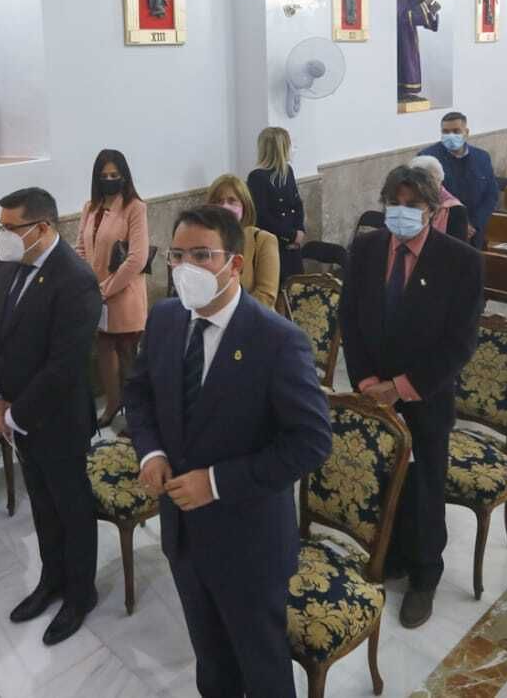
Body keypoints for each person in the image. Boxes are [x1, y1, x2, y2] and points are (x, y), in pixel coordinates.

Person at [125, 206, 332, 698]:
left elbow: (311, 441)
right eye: (177, 256)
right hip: (184, 532)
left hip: (249, 542)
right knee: (211, 659)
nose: (185, 268)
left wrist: (216, 482)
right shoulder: (165, 320)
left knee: (260, 665)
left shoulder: (277, 340)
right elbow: (140, 395)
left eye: (202, 255)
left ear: (234, 265)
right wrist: (150, 453)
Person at [339, 166, 483, 626]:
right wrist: (366, 384)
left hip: (426, 396)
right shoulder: (365, 248)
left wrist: (399, 388)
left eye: (412, 206)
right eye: (393, 204)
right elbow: (351, 319)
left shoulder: (459, 260)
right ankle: (392, 555)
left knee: (424, 486)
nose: (401, 214)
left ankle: (425, 575)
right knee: (383, 478)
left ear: (432, 210)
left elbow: (459, 343)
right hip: (372, 392)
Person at [0, 188, 103, 645]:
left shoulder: (75, 279)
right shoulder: (8, 266)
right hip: (14, 416)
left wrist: (15, 414)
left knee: (71, 507)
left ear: (43, 228)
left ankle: (80, 593)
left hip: (57, 419)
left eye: (10, 227)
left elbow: (65, 365)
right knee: (42, 504)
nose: (3, 236)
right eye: (0, 226)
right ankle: (52, 580)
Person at [76, 150, 150, 428]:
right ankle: (112, 403)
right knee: (104, 351)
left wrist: (104, 289)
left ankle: (137, 415)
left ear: (124, 176)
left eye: (114, 175)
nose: (109, 180)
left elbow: (137, 258)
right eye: (104, 176)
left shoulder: (135, 208)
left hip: (124, 294)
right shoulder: (89, 207)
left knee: (129, 356)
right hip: (96, 295)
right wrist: (87, 285)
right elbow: (81, 248)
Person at [419, 111, 499, 244]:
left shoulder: (482, 157)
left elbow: (491, 195)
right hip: (442, 233)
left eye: (456, 131)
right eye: (445, 132)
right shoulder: (427, 159)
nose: (450, 136)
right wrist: (458, 225)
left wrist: (474, 224)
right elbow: (425, 198)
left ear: (466, 132)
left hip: (475, 232)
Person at [206, 173, 281, 308]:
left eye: (232, 200)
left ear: (244, 205)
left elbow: (266, 296)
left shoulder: (263, 240)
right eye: (218, 201)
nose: (224, 207)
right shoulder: (203, 242)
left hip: (254, 323)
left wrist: (224, 313)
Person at [247, 126, 306, 280]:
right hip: (273, 243)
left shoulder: (287, 171)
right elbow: (262, 216)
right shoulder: (257, 177)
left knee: (296, 287)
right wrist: (291, 235)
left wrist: (300, 231)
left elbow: (297, 204)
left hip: (293, 243)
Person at [409, 155, 470, 241]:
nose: (427, 186)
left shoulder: (455, 209)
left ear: (441, 180)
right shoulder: (405, 202)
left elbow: (458, 249)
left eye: (432, 181)